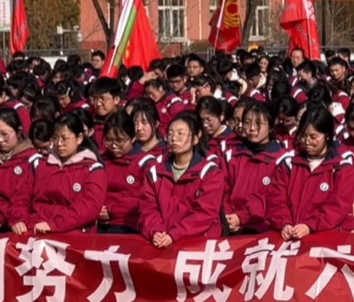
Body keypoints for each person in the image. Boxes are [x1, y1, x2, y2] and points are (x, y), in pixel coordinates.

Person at [267, 107, 354, 240]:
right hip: (290, 238)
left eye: (313, 137)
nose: (307, 141)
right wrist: (284, 223)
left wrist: (310, 226)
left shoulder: (342, 169)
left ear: (327, 136)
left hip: (324, 240)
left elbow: (337, 208)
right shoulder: (289, 165)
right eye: (303, 136)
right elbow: (275, 199)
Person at [138, 111, 225, 248]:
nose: (174, 138)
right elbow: (148, 208)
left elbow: (204, 214)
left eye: (180, 134)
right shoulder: (155, 172)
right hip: (161, 239)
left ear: (195, 139)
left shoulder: (210, 173)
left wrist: (174, 235)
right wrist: (155, 232)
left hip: (197, 242)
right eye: (170, 133)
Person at [8, 114, 106, 234]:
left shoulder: (92, 169)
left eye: (65, 139)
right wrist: (18, 219)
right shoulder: (38, 163)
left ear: (79, 138)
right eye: (55, 138)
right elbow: (20, 196)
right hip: (33, 227)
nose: (59, 144)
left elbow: (89, 207)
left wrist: (54, 224)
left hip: (73, 231)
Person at [222, 102, 288, 234]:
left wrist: (242, 217)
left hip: (262, 227)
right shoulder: (231, 155)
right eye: (247, 122)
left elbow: (272, 199)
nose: (252, 128)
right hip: (228, 222)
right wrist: (227, 215)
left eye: (258, 124)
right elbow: (222, 189)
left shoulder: (282, 160)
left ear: (270, 126)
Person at [0, 108, 39, 232]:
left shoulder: (32, 160)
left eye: (4, 134)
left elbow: (29, 200)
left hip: (16, 224)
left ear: (18, 132)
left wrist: (2, 218)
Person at [98, 112, 154, 233]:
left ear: (133, 137)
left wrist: (112, 209)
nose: (113, 146)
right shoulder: (100, 160)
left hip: (127, 223)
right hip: (97, 219)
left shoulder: (146, 163)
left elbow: (146, 199)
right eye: (108, 140)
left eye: (119, 141)